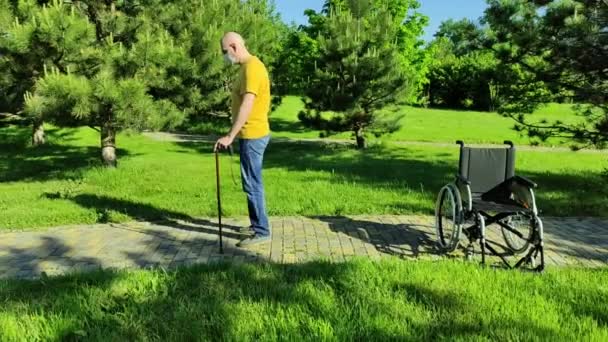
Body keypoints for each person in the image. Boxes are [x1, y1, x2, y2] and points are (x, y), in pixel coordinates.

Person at [214, 32, 271, 247]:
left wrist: (230, 136)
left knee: (252, 184)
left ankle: (262, 231)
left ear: (234, 47)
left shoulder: (253, 69)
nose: (224, 56)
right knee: (251, 182)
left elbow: (247, 105)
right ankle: (257, 224)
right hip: (249, 134)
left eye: (224, 52)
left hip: (253, 135)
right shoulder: (246, 68)